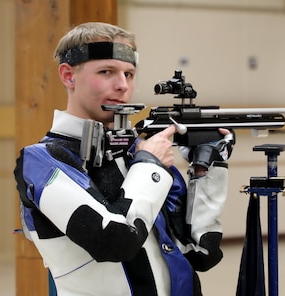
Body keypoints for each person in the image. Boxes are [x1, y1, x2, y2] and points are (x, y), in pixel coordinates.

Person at [14, 22, 233, 296]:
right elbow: (116, 242)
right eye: (106, 72)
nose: (122, 86)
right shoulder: (41, 162)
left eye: (129, 74)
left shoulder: (135, 153)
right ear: (68, 76)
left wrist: (206, 168)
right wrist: (150, 166)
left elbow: (202, 252)